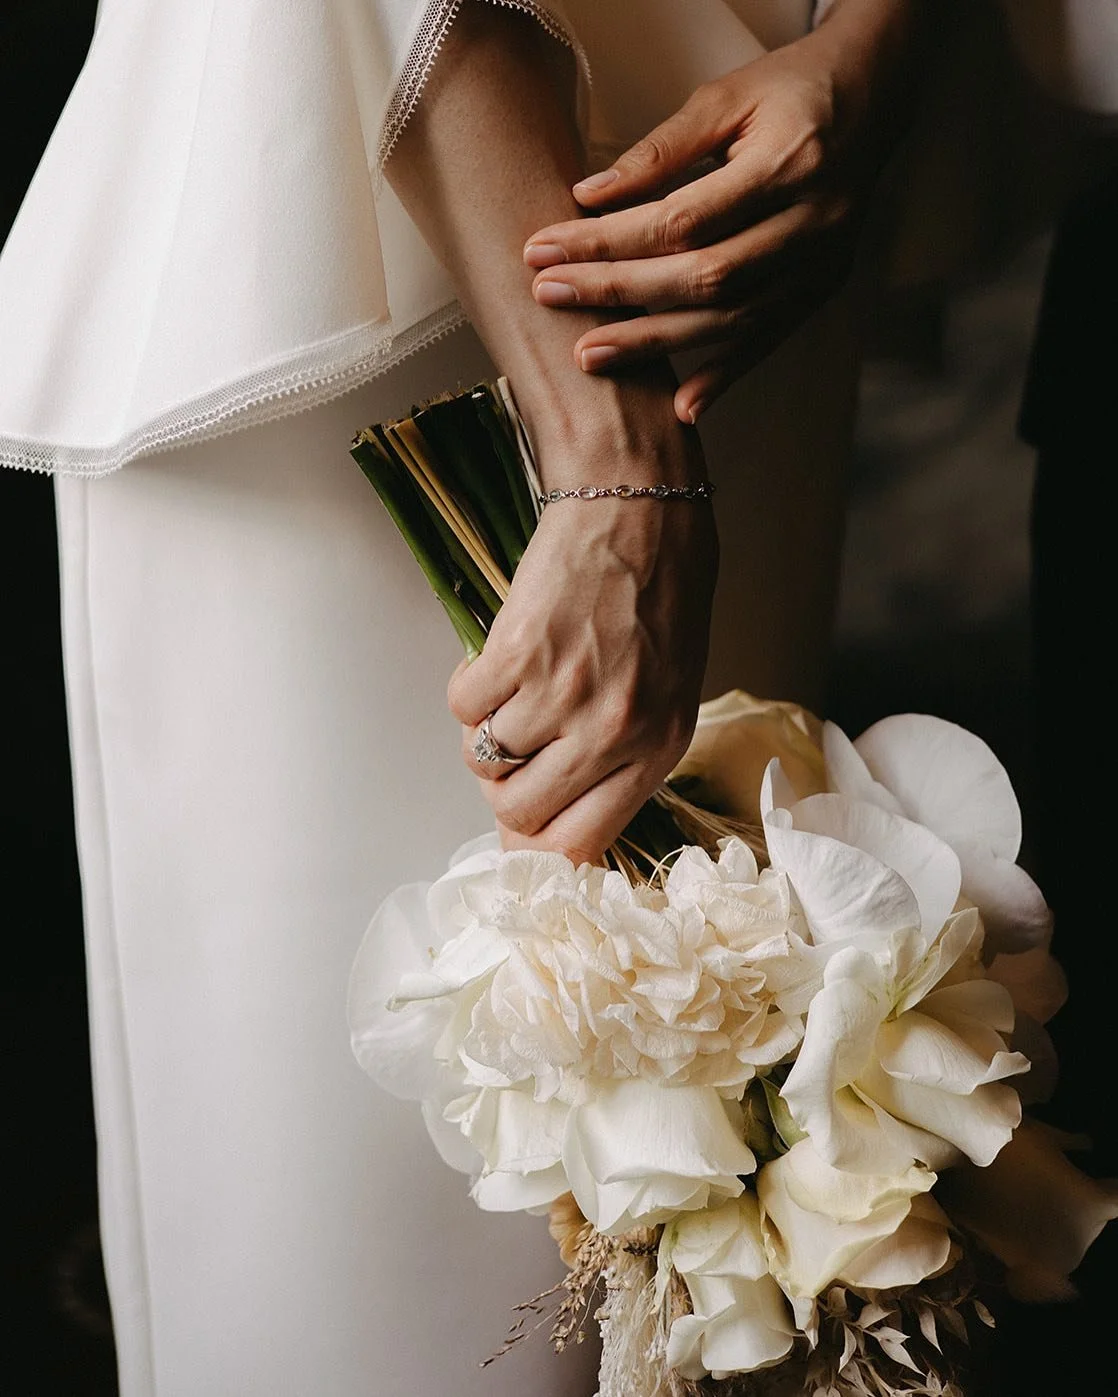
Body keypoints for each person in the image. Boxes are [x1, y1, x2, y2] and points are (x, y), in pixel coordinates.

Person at [0, 2, 928, 1393]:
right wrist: (608, 463)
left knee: (718, 1190)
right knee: (383, 1257)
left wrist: (864, 58)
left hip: (743, 181)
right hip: (382, 198)